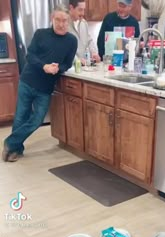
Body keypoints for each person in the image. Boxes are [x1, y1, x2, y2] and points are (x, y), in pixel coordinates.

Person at [2, 5, 77, 163]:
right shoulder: (40, 34)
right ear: (52, 18)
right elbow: (30, 55)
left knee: (36, 120)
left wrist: (57, 68)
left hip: (45, 88)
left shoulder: (71, 41)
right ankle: (16, 150)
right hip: (28, 82)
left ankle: (10, 143)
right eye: (58, 20)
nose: (61, 24)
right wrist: (44, 66)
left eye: (65, 20)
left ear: (68, 20)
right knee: (21, 117)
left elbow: (68, 63)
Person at [68, 0, 100, 64]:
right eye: (80, 10)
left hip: (82, 67)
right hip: (70, 68)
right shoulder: (63, 25)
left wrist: (94, 53)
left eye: (84, 10)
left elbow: (89, 41)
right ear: (71, 8)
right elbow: (64, 49)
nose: (83, 13)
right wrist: (77, 60)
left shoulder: (84, 23)